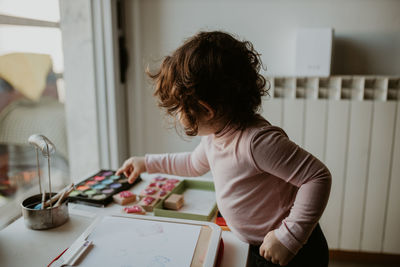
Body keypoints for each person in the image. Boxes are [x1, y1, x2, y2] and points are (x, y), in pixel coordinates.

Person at [117, 31, 331, 267]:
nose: (177, 115)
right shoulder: (214, 136)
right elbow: (191, 164)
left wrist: (289, 237)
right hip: (255, 244)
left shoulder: (255, 141)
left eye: (178, 108)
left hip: (292, 250)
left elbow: (317, 177)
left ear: (205, 109)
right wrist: (146, 162)